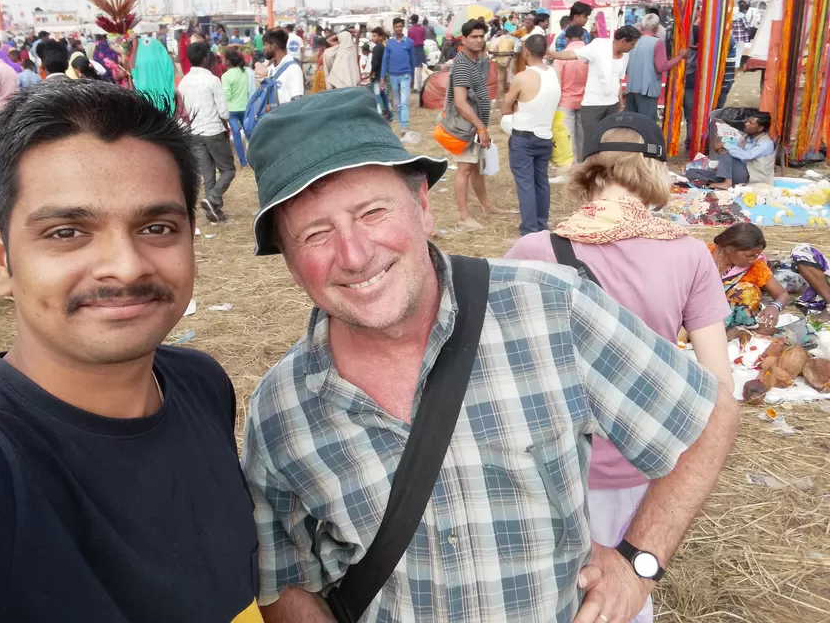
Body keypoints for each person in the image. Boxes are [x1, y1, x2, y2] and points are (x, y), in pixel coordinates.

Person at [242, 86, 738, 623]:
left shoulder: (550, 307)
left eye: (372, 211)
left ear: (424, 207)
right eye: (315, 234)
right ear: (290, 263)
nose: (355, 255)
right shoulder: (280, 412)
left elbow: (708, 417)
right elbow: (286, 581)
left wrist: (638, 561)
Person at [0, 80, 264, 622]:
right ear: (2, 260)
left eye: (156, 226)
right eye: (66, 232)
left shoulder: (201, 386)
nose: (126, 266)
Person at [505, 112, 735, 623]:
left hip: (546, 463)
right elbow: (718, 386)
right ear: (655, 173)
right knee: (622, 597)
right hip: (645, 461)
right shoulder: (690, 256)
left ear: (590, 169)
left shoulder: (532, 252)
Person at [445, 19, 507, 231]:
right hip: (467, 127)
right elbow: (461, 103)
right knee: (464, 169)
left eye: (481, 36)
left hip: (475, 127)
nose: (478, 40)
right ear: (463, 39)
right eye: (474, 37)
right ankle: (463, 217)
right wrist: (480, 128)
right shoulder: (462, 64)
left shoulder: (473, 61)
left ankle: (486, 204)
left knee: (477, 168)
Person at [502, 34, 561, 236]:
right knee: (541, 182)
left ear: (526, 51)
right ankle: (541, 225)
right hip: (545, 135)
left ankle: (529, 230)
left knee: (525, 185)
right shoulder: (553, 74)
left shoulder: (522, 77)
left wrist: (517, 104)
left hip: (523, 137)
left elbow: (505, 107)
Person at [548, 25, 641, 138]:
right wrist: (552, 54)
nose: (633, 47)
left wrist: (621, 104)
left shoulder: (625, 55)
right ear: (623, 41)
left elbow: (618, 81)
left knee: (609, 140)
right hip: (593, 105)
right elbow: (573, 54)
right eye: (632, 44)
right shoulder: (599, 46)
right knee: (591, 140)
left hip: (612, 104)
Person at [178, 43, 234, 224]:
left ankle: (214, 213)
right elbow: (224, 112)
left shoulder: (184, 82)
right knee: (228, 170)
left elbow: (183, 112)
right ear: (205, 59)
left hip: (194, 132)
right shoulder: (212, 80)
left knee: (208, 176)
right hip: (213, 131)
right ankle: (213, 199)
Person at [710, 222, 791, 329]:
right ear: (729, 248)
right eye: (748, 255)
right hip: (697, 311)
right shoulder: (703, 255)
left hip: (727, 318)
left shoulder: (755, 266)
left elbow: (782, 294)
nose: (753, 260)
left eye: (756, 255)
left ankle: (734, 330)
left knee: (748, 292)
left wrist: (775, 306)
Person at [624, 13, 686, 122]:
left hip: (631, 88)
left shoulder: (633, 41)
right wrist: (680, 57)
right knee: (647, 125)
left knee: (632, 124)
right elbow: (661, 67)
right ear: (657, 27)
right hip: (647, 90)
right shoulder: (657, 42)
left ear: (642, 26)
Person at [552, 24, 590, 168]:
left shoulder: (561, 57)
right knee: (583, 136)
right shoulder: (590, 55)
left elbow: (557, 81)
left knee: (567, 137)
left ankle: (569, 168)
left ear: (567, 39)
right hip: (586, 101)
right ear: (582, 37)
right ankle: (582, 166)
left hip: (565, 102)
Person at [706, 111, 774, 189]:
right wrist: (720, 144)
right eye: (747, 121)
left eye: (750, 123)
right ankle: (724, 180)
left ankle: (727, 183)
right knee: (693, 172)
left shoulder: (766, 143)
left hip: (753, 177)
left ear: (760, 128)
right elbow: (734, 145)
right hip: (740, 172)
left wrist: (724, 144)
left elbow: (747, 155)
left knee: (727, 151)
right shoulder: (746, 137)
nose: (746, 124)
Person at [380, 18, 416, 140]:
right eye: (396, 26)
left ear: (403, 27)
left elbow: (412, 59)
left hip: (406, 74)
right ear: (393, 28)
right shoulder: (389, 43)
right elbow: (385, 60)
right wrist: (382, 78)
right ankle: (402, 125)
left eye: (400, 26)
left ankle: (405, 127)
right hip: (393, 76)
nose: (398, 28)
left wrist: (413, 77)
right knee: (397, 103)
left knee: (404, 101)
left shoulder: (409, 42)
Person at [222, 48, 250, 167]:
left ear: (228, 61)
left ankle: (243, 162)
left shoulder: (225, 76)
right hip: (244, 107)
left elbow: (227, 95)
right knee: (249, 133)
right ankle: (254, 156)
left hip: (232, 109)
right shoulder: (244, 72)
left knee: (236, 135)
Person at [264, 28, 305, 106]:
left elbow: (297, 101)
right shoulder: (272, 68)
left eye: (265, 44)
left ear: (274, 46)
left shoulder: (293, 68)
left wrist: (271, 108)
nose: (264, 48)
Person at [369, 28, 393, 121]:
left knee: (377, 96)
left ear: (380, 37)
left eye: (375, 36)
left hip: (377, 76)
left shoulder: (376, 48)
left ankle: (380, 117)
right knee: (384, 95)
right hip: (383, 75)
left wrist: (371, 73)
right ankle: (390, 114)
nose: (373, 38)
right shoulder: (383, 47)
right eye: (372, 36)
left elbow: (374, 63)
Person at [407, 14, 427, 92]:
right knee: (423, 67)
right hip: (421, 49)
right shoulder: (422, 29)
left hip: (413, 49)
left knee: (415, 68)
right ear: (418, 19)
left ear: (412, 20)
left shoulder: (410, 30)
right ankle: (422, 86)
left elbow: (409, 41)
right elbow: (424, 38)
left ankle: (416, 87)